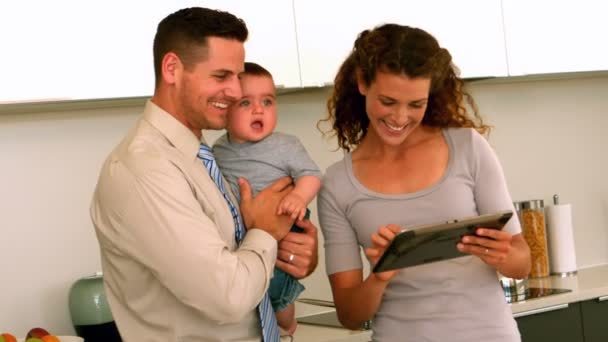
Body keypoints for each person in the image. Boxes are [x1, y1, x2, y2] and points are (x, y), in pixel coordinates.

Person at [89, 7, 318, 342]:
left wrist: (292, 255)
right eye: (221, 76)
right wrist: (267, 233)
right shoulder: (144, 170)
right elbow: (228, 296)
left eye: (237, 77)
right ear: (172, 69)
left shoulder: (205, 157)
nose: (237, 92)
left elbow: (243, 257)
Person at [317, 23, 531, 342]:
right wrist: (380, 274)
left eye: (416, 104)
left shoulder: (469, 148)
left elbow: (522, 262)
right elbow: (349, 315)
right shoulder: (337, 185)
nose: (400, 117)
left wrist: (503, 255)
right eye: (388, 101)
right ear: (362, 82)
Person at [213, 62, 323, 335]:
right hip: (244, 234)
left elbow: (311, 175)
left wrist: (298, 196)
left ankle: (286, 320)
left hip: (286, 221)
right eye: (245, 103)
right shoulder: (218, 150)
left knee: (278, 282)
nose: (259, 109)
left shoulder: (285, 145)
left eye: (268, 101)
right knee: (252, 281)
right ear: (224, 113)